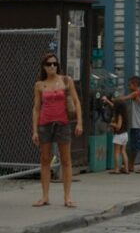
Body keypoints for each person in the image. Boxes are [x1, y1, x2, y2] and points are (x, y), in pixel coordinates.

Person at [31, 53, 83, 208]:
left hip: (63, 123)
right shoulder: (40, 85)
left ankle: (67, 197)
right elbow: (36, 108)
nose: (52, 66)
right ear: (44, 67)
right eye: (48, 64)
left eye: (54, 63)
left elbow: (76, 102)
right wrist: (34, 130)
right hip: (45, 124)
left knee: (66, 159)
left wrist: (79, 123)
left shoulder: (66, 81)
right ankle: (45, 196)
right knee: (45, 159)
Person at [104, 76, 140, 173]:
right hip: (133, 124)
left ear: (135, 85)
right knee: (133, 146)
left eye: (130, 85)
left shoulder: (137, 92)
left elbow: (125, 98)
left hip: (139, 124)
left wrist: (113, 99)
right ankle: (131, 166)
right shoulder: (135, 94)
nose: (128, 86)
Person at [108, 101, 129, 174]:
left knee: (116, 152)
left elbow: (118, 126)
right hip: (125, 134)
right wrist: (107, 100)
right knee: (123, 151)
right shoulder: (125, 114)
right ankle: (126, 168)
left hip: (119, 135)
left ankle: (116, 169)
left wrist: (112, 124)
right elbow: (113, 105)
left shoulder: (119, 115)